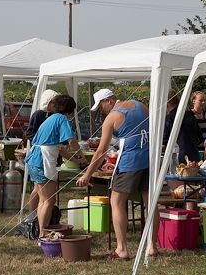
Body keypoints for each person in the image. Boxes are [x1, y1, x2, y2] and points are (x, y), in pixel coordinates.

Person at [77, 88, 158, 260]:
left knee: (116, 201)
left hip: (130, 162)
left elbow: (101, 151)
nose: (101, 110)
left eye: (101, 106)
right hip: (149, 159)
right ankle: (152, 246)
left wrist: (87, 175)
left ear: (109, 101)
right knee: (150, 202)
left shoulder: (112, 117)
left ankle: (122, 249)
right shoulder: (140, 105)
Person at [24, 94, 84, 238]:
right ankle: (43, 232)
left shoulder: (50, 119)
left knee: (43, 199)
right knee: (49, 200)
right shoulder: (62, 119)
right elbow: (71, 141)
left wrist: (77, 160)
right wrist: (81, 154)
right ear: (70, 110)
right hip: (41, 162)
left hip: (34, 160)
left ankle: (42, 231)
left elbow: (60, 149)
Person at [24, 89, 59, 211]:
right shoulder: (38, 115)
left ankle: (36, 214)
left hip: (50, 155)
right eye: (53, 102)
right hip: (40, 155)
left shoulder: (55, 116)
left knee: (40, 190)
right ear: (47, 102)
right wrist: (41, 141)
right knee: (38, 189)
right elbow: (29, 133)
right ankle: (32, 214)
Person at [164, 90, 202, 164]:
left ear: (167, 103)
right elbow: (200, 138)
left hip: (179, 157)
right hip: (195, 155)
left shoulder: (170, 118)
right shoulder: (190, 115)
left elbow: (164, 141)